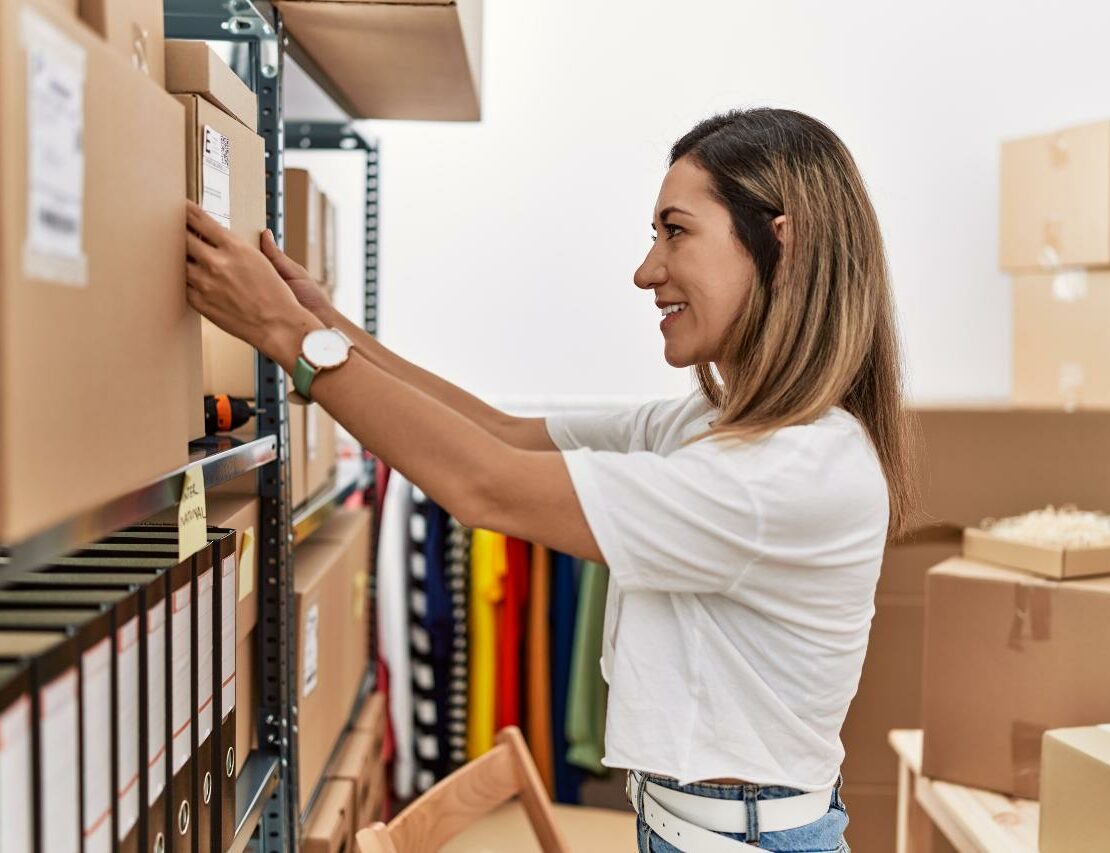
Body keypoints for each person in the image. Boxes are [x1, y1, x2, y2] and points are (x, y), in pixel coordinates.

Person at [184, 107, 914, 852]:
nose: (646, 269)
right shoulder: (706, 427)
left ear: (779, 243)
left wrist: (285, 335)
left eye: (676, 230)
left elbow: (485, 483)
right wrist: (327, 323)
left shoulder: (789, 474)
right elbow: (501, 434)